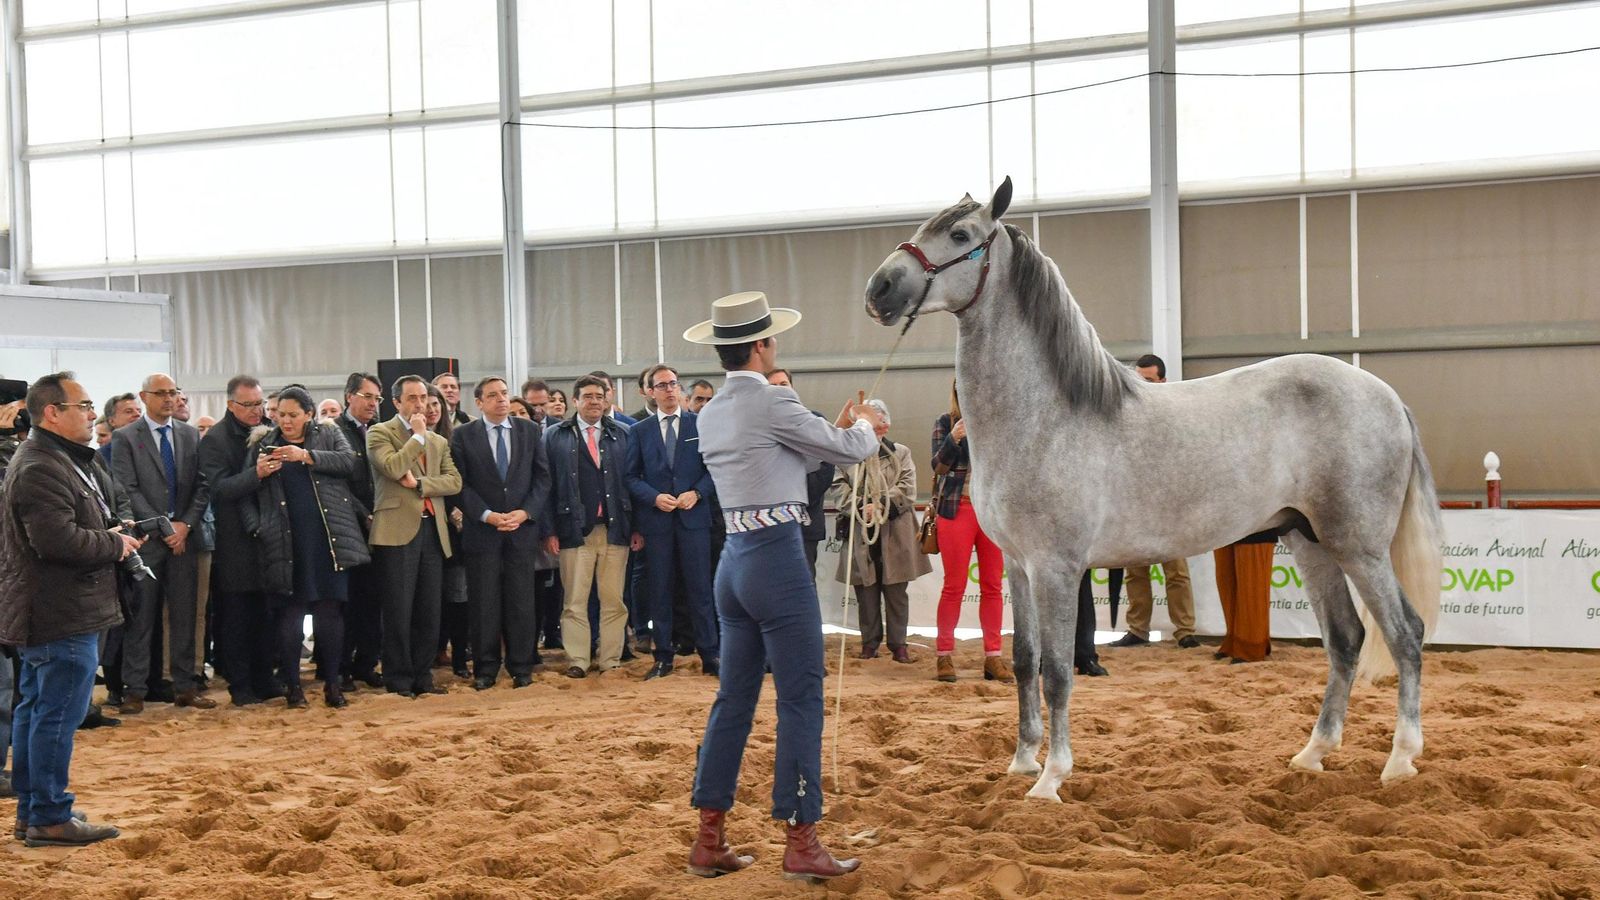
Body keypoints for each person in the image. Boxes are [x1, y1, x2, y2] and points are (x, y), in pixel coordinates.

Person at [684, 290, 880, 882]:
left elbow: (789, 455)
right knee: (800, 699)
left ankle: (709, 836)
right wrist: (866, 427)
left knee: (733, 701)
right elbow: (847, 450)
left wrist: (827, 430)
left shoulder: (710, 411)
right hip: (776, 559)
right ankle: (801, 839)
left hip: (735, 559)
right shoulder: (774, 400)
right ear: (762, 345)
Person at [0, 372, 136, 846]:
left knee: (37, 709)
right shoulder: (41, 464)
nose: (91, 413)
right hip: (60, 610)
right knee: (55, 714)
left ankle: (34, 810)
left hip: (58, 607)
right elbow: (55, 539)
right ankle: (49, 816)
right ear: (52, 412)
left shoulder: (54, 458)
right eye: (83, 405)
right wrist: (114, 543)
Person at [242, 388, 369, 709]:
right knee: (291, 615)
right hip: (284, 540)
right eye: (281, 415)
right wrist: (257, 526)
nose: (285, 421)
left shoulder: (328, 434)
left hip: (328, 538)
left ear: (309, 414)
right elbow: (247, 488)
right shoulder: (262, 442)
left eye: (293, 415)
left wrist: (306, 456)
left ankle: (333, 684)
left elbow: (349, 463)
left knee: (330, 611)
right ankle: (294, 687)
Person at [109, 372, 216, 713]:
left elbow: (202, 485)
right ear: (145, 396)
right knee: (141, 618)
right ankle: (134, 690)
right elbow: (126, 488)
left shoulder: (188, 435)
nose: (169, 399)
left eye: (173, 392)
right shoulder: (126, 437)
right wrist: (164, 527)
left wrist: (184, 525)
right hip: (147, 541)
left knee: (185, 616)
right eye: (161, 393)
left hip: (184, 539)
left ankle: (185, 686)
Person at [451, 377, 550, 690]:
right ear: (479, 402)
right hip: (483, 532)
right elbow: (459, 484)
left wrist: (525, 512)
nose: (501, 400)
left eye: (505, 394)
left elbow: (542, 479)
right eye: (493, 396)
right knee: (484, 603)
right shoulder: (463, 436)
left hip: (521, 530)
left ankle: (521, 667)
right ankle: (486, 668)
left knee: (522, 601)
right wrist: (487, 515)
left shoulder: (530, 431)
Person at [367, 375, 461, 697]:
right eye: (411, 398)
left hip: (433, 532)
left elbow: (454, 482)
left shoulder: (439, 441)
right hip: (396, 533)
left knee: (428, 610)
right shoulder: (380, 432)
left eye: (423, 397)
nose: (419, 404)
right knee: (398, 610)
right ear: (396, 403)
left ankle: (423, 676)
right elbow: (393, 468)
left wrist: (421, 485)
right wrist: (417, 438)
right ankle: (398, 678)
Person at [542, 376, 640, 678]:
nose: (594, 401)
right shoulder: (553, 436)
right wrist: (549, 530)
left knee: (614, 599)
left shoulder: (624, 433)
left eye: (600, 395)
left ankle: (610, 659)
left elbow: (633, 483)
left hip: (616, 528)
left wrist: (637, 528)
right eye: (588, 396)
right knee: (574, 601)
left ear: (607, 399)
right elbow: (546, 486)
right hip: (573, 530)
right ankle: (578, 660)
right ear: (575, 401)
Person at [625, 365, 718, 681]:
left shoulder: (701, 424)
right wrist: (653, 497)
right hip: (658, 523)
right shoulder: (639, 431)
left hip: (694, 520)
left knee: (701, 590)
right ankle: (663, 656)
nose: (668, 389)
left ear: (680, 389)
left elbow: (714, 469)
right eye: (661, 385)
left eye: (673, 384)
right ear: (650, 392)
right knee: (660, 591)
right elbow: (630, 477)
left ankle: (710, 655)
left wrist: (698, 493)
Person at [198, 375, 279, 706]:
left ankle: (265, 678)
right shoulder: (215, 440)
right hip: (232, 541)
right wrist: (255, 474)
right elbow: (216, 490)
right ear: (231, 405)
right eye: (248, 405)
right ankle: (240, 684)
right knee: (235, 618)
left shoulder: (271, 431)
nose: (255, 411)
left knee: (266, 613)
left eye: (259, 403)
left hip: (267, 536)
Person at [1109, 355, 1199, 650]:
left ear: (1163, 381)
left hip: (1169, 503)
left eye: (1147, 380)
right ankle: (1138, 628)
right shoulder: (1125, 414)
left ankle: (1185, 630)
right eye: (1137, 379)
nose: (1140, 386)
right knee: (1135, 570)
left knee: (1176, 571)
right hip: (1134, 502)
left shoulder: (1176, 414)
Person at [832, 399, 930, 663]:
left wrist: (880, 505)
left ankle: (899, 645)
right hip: (861, 531)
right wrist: (861, 506)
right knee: (866, 591)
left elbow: (908, 488)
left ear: (884, 425)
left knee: (897, 591)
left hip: (895, 532)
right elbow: (839, 487)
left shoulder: (901, 453)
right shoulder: (848, 456)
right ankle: (869, 643)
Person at [930, 380, 1011, 684]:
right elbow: (937, 465)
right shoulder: (945, 422)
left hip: (990, 511)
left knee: (992, 585)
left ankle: (993, 656)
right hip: (956, 509)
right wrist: (953, 438)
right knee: (954, 586)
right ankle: (944, 655)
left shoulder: (996, 421)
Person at [332, 372, 384, 690]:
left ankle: (367, 662)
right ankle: (341, 667)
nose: (372, 404)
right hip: (348, 526)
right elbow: (336, 484)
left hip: (380, 526)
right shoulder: (333, 432)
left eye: (377, 398)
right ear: (349, 396)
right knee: (346, 602)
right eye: (367, 396)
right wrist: (364, 514)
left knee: (372, 600)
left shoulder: (379, 431)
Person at [767, 369, 832, 574]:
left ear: (792, 388)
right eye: (773, 386)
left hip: (806, 523)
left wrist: (796, 502)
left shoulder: (814, 421)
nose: (779, 390)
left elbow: (825, 469)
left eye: (783, 384)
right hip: (769, 527)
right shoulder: (759, 426)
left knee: (804, 586)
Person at [1213, 537, 1275, 663]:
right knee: (1226, 580)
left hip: (1256, 528)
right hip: (1225, 528)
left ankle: (1252, 646)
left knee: (1251, 584)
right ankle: (1233, 641)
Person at [98, 393, 140, 466]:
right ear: (112, 421)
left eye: (139, 411)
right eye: (129, 411)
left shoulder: (153, 447)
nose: (137, 414)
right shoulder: (100, 457)